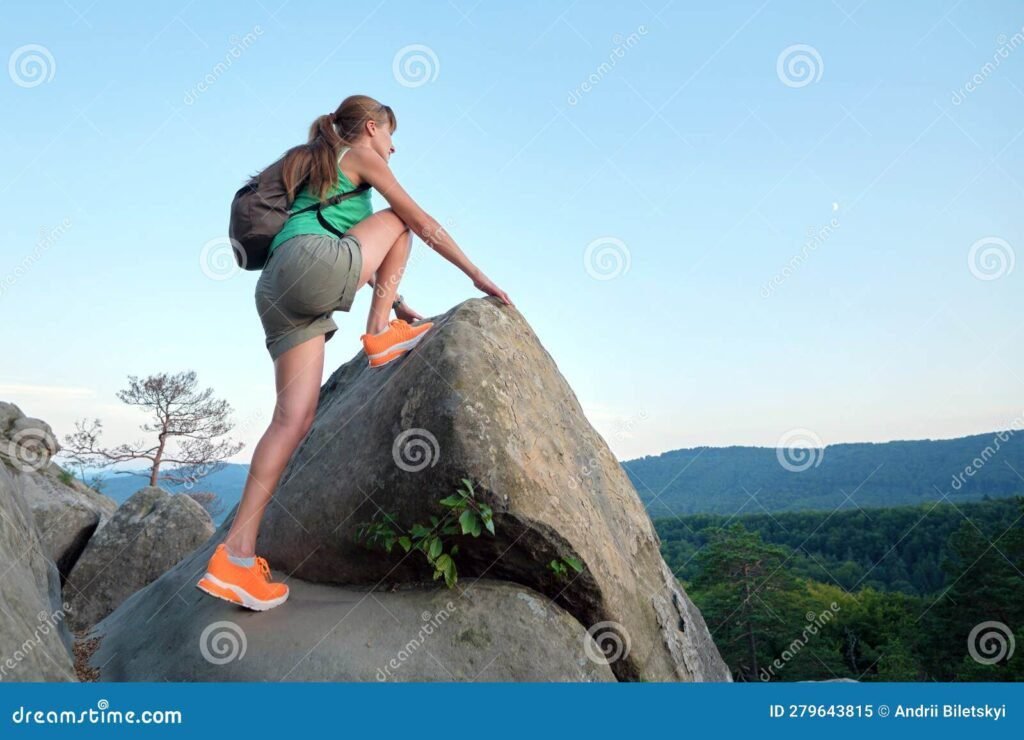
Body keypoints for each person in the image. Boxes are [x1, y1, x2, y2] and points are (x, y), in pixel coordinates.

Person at [196, 94, 513, 611]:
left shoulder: (313, 163)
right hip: (314, 266)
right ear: (371, 127)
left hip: (278, 287)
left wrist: (399, 300)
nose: (392, 149)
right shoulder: (358, 155)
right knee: (401, 219)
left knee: (290, 422)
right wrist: (475, 274)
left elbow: (335, 249)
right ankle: (378, 335)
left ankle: (235, 555)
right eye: (391, 137)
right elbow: (417, 220)